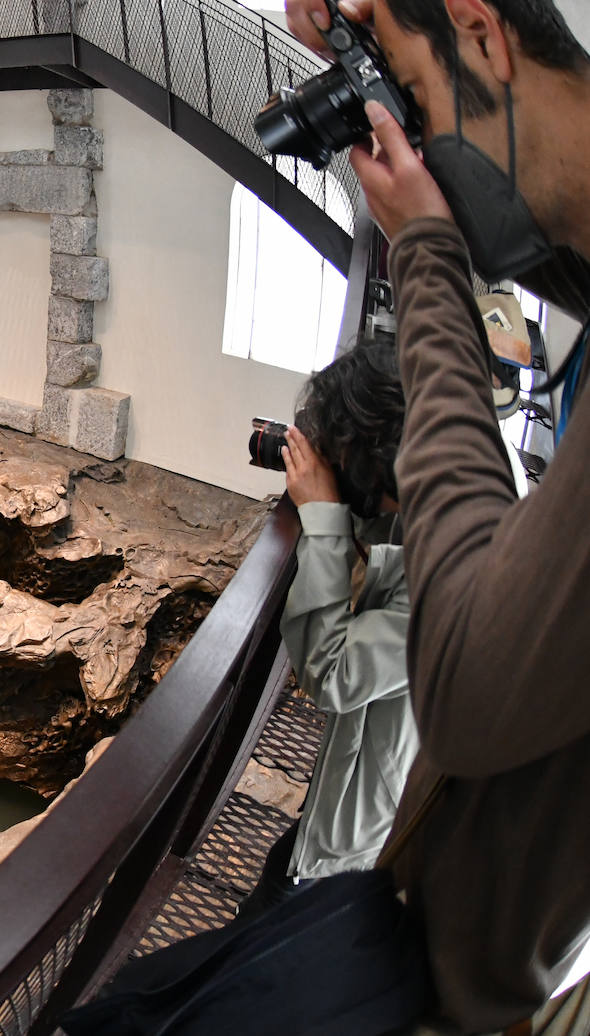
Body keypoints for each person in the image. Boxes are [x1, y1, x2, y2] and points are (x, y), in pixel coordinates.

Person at [283, 1, 590, 1030]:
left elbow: (461, 682)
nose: (402, 142)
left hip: (482, 988)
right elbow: (544, 223)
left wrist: (423, 254)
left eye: (407, 97)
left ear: (484, 30)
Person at [236, 338, 419, 922]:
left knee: (268, 937)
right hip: (365, 808)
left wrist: (323, 516)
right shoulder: (444, 491)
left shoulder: (447, 571)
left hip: (355, 847)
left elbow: (332, 673)